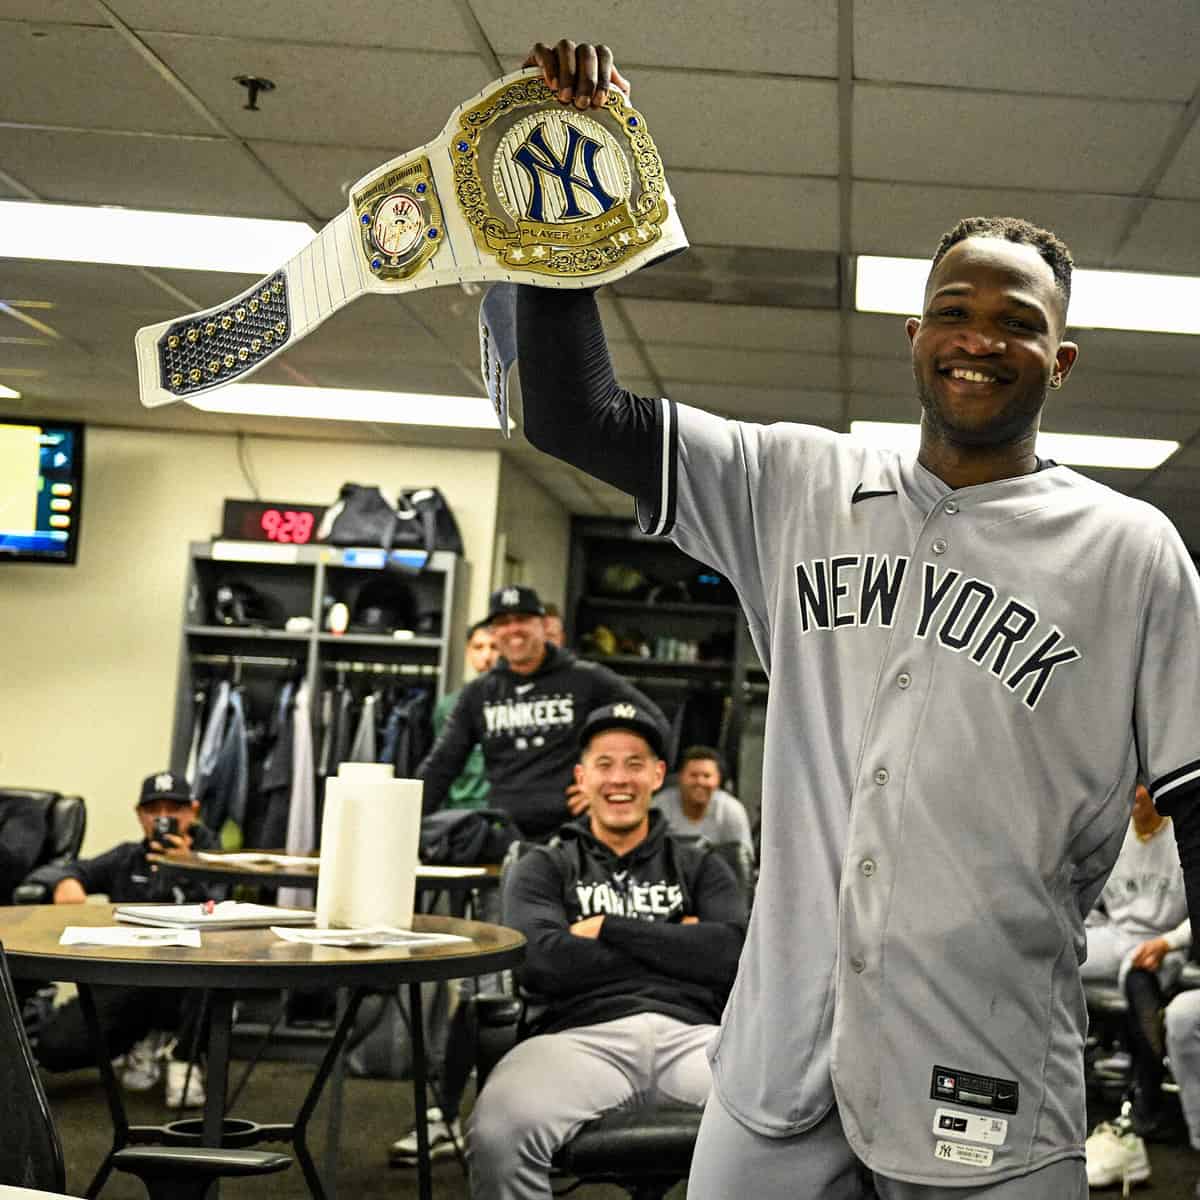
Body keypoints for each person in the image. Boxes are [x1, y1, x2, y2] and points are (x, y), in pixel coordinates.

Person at [506, 40, 1200, 1197]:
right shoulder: (797, 484)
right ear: (913, 338)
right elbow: (576, 416)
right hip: (780, 1057)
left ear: (1060, 359)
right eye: (953, 310)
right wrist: (569, 207)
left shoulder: (1131, 551)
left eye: (1016, 321)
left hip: (988, 1056)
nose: (981, 335)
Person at [467, 701, 748, 1199]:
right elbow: (541, 963)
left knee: (790, 1122)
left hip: (698, 1037)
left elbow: (731, 955)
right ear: (582, 776)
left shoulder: (703, 864)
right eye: (605, 764)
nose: (621, 779)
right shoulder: (544, 865)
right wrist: (679, 939)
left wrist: (609, 928)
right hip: (576, 1038)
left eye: (636, 764)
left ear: (658, 775)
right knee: (500, 1132)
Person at [25, 770, 220, 1108]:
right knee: (54, 1047)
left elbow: (222, 909)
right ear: (139, 814)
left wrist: (187, 868)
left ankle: (184, 1058)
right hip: (131, 981)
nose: (163, 818)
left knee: (212, 967)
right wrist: (65, 880)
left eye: (173, 809)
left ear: (193, 811)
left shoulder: (214, 862)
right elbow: (64, 868)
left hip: (190, 981)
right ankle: (142, 1038)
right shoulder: (127, 857)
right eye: (153, 810)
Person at [417, 584, 664, 840]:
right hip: (506, 838)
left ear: (543, 625)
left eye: (522, 619)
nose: (514, 629)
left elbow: (656, 725)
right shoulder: (478, 693)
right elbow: (441, 766)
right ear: (494, 631)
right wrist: (407, 825)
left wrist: (614, 789)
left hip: (575, 836)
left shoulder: (586, 679)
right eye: (503, 622)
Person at [1080, 783, 1189, 1188]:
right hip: (1118, 933)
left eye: (1144, 787)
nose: (1137, 795)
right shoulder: (1112, 835)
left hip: (1165, 943)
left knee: (1136, 976)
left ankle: (1147, 1102)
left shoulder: (1183, 833)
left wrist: (1169, 943)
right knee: (1054, 958)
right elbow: (1087, 901)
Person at [432, 618, 499, 812]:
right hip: (460, 809)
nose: (487, 655)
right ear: (468, 652)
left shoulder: (516, 702)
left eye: (494, 647)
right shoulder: (450, 706)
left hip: (502, 809)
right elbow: (440, 766)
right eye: (478, 647)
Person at [654, 745, 754, 854]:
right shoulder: (660, 807)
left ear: (718, 780)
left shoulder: (731, 810)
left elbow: (743, 858)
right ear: (680, 777)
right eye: (693, 775)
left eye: (707, 776)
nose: (700, 782)